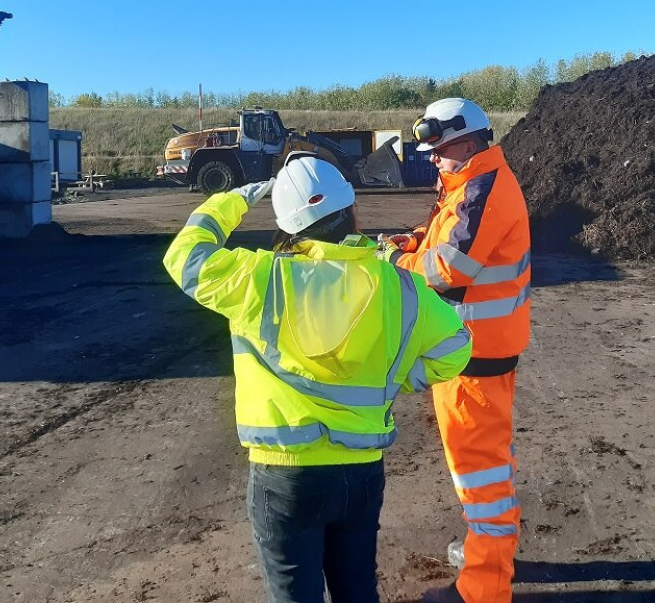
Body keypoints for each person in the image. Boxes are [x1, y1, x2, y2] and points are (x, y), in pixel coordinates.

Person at [163, 152, 473, 603]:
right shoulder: (399, 285)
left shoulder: (260, 278)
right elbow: (457, 346)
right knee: (357, 590)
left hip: (284, 476)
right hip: (361, 472)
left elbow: (185, 257)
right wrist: (400, 380)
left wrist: (231, 200)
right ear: (351, 211)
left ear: (287, 225)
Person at [377, 98, 532, 603]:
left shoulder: (485, 188)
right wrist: (415, 240)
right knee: (486, 465)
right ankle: (492, 554)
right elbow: (445, 241)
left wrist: (398, 260)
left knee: (480, 472)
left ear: (468, 144)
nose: (434, 160)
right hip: (474, 353)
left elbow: (449, 272)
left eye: (440, 151)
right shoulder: (469, 185)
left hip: (476, 358)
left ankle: (484, 587)